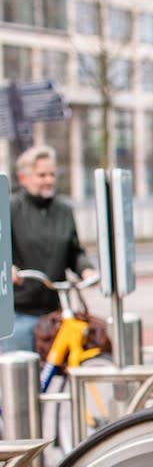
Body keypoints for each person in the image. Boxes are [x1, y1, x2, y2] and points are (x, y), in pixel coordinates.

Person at [4, 145, 96, 353]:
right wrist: (8, 268)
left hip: (54, 311)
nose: (49, 180)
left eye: (52, 174)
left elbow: (74, 250)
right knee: (21, 379)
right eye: (42, 175)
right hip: (20, 312)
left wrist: (86, 269)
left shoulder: (63, 209)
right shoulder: (10, 208)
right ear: (24, 177)